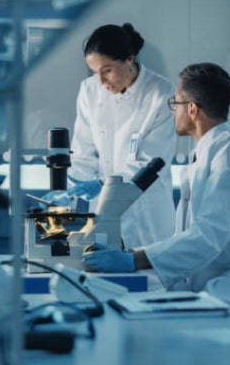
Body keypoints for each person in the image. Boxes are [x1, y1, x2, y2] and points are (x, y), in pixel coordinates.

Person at [82, 62, 230, 323]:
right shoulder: (206, 154)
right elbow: (191, 239)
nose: (173, 111)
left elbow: (208, 235)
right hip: (215, 285)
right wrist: (132, 257)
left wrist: (132, 260)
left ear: (193, 109)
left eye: (175, 104)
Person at [48, 23, 177, 249]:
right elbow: (84, 153)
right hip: (103, 213)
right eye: (95, 72)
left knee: (144, 267)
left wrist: (100, 184)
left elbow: (148, 165)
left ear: (129, 59)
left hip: (146, 216)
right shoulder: (89, 90)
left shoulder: (161, 94)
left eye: (107, 70)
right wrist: (68, 190)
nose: (101, 81)